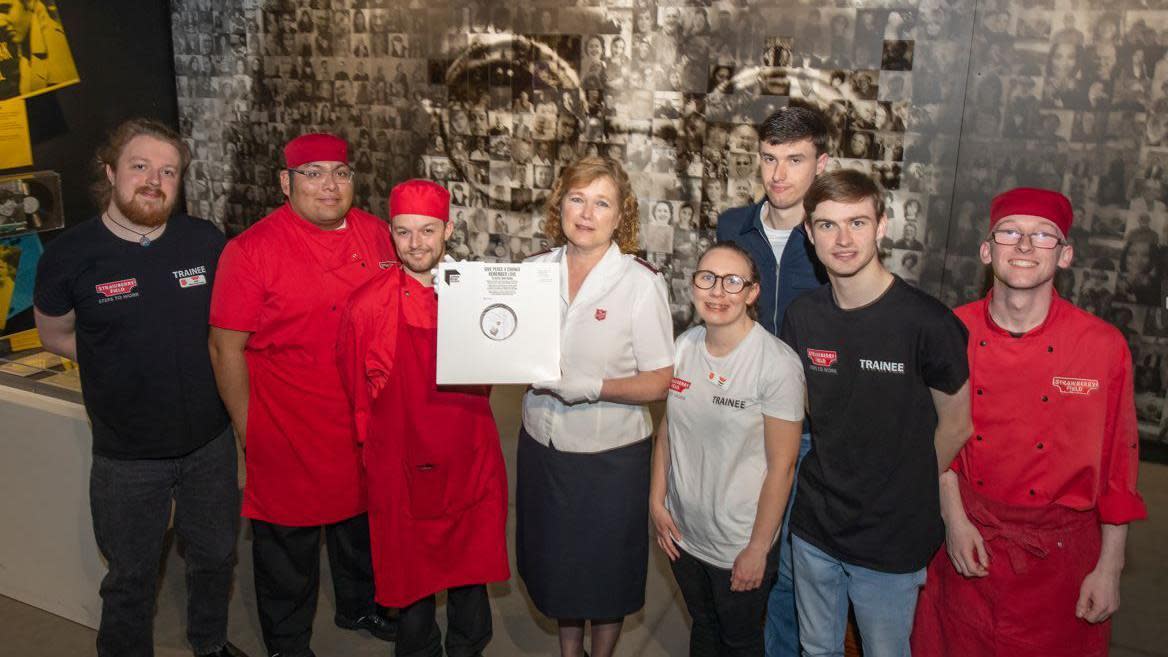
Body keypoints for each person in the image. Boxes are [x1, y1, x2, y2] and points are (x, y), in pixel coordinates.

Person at [33, 119, 248, 657]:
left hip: (210, 445)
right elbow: (56, 334)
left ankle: (210, 643)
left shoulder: (205, 242)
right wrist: (112, 359)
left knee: (216, 557)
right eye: (140, 166)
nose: (154, 180)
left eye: (168, 170)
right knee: (130, 577)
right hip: (126, 458)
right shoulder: (71, 254)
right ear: (110, 172)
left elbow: (232, 330)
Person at [912, 188, 1148, 657]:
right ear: (986, 250)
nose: (1024, 245)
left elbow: (1119, 464)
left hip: (1062, 560)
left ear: (1065, 255)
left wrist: (1110, 567)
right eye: (1010, 232)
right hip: (968, 542)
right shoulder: (949, 332)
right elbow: (929, 438)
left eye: (1043, 236)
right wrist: (954, 518)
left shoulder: (1102, 346)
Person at [208, 133, 397, 657]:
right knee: (287, 550)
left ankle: (360, 604)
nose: (329, 185)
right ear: (285, 183)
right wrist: (250, 430)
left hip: (364, 423)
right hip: (290, 428)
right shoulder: (250, 252)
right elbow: (225, 350)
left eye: (339, 172)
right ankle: (287, 644)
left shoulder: (378, 234)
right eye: (312, 173)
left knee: (361, 526)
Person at [783, 170, 972, 657]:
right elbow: (809, 410)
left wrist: (904, 484)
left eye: (857, 223)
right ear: (808, 233)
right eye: (827, 225)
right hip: (815, 525)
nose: (843, 239)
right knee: (816, 649)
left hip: (891, 537)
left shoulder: (929, 324)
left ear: (882, 226)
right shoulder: (802, 317)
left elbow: (957, 423)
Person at [337, 180, 509, 657]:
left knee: (469, 574)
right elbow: (357, 397)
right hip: (400, 466)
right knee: (411, 582)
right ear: (390, 234)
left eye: (427, 230)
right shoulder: (366, 306)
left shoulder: (476, 299)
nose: (416, 244)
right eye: (404, 232)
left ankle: (468, 648)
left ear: (448, 229)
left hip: (468, 455)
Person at [517, 155, 674, 657]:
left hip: (611, 457)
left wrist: (595, 386)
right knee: (558, 565)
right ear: (559, 204)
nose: (587, 213)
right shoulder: (531, 274)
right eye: (577, 199)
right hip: (543, 445)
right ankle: (569, 653)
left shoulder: (639, 284)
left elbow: (661, 381)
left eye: (601, 202)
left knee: (604, 572)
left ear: (620, 214)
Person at [651, 242, 805, 656]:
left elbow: (783, 467)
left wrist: (758, 548)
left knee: (738, 641)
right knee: (703, 627)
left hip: (737, 543)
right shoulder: (684, 347)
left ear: (753, 292)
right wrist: (656, 502)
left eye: (733, 281)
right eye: (707, 278)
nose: (717, 291)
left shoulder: (776, 364)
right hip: (683, 536)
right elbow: (667, 431)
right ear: (694, 285)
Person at [715, 106, 829, 657]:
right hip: (740, 417)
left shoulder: (833, 239)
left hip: (810, 430)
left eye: (795, 160)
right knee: (738, 551)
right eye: (769, 159)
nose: (778, 174)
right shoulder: (733, 228)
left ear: (821, 162)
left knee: (792, 565)